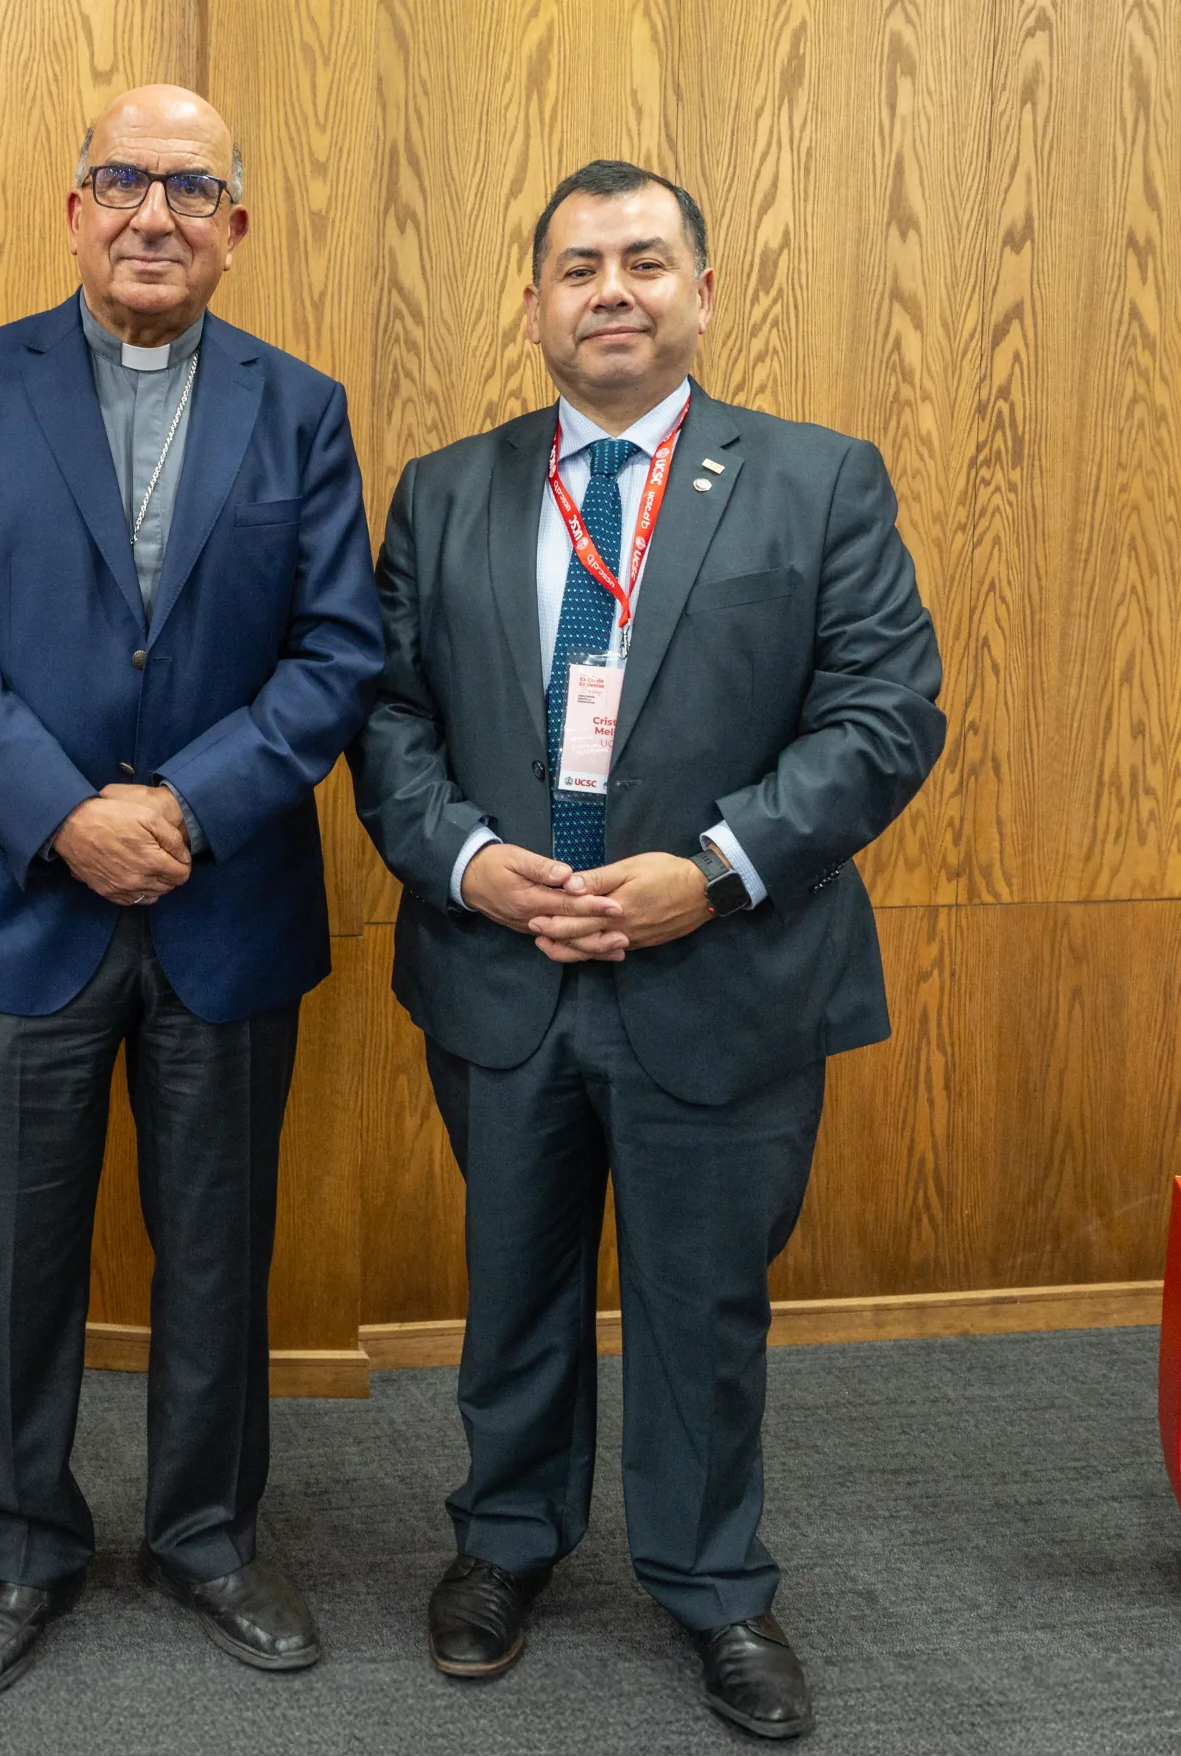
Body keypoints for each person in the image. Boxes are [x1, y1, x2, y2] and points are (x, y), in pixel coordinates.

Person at [352, 159, 945, 1740]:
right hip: (506, 969)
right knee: (513, 1287)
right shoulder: (446, 488)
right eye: (577, 266)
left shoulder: (819, 481)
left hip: (721, 969)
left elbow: (887, 719)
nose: (610, 289)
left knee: (703, 1301)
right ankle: (506, 1544)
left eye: (644, 261)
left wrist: (716, 868)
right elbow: (389, 716)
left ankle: (712, 1585)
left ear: (702, 290)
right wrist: (472, 866)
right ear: (535, 302)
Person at [0, 85, 383, 1696]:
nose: (151, 213)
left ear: (236, 224)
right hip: (19, 905)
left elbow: (336, 650)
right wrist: (63, 815)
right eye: (121, 181)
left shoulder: (301, 408)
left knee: (218, 1252)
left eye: (189, 188)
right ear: (72, 206)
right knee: (18, 1260)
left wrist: (185, 804)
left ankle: (205, 1539)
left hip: (222, 908)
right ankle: (22, 1545)